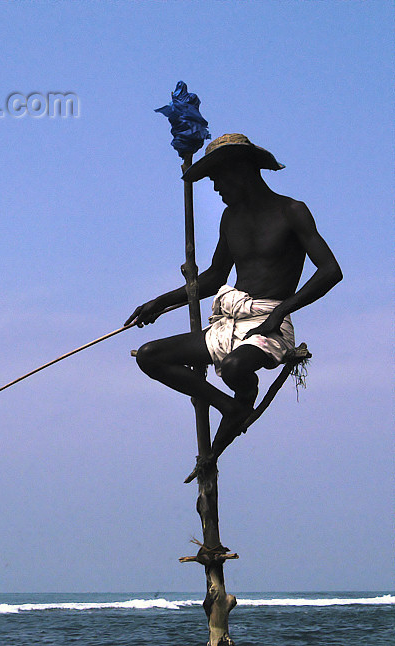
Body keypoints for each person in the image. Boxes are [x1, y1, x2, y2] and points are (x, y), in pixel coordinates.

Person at [125, 133, 342, 466]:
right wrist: (161, 302)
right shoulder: (231, 219)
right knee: (151, 356)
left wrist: (281, 311)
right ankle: (231, 407)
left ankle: (241, 399)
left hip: (270, 322)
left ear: (241, 171)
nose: (216, 189)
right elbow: (214, 278)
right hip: (230, 323)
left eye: (218, 179)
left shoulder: (291, 211)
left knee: (234, 367)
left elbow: (330, 271)